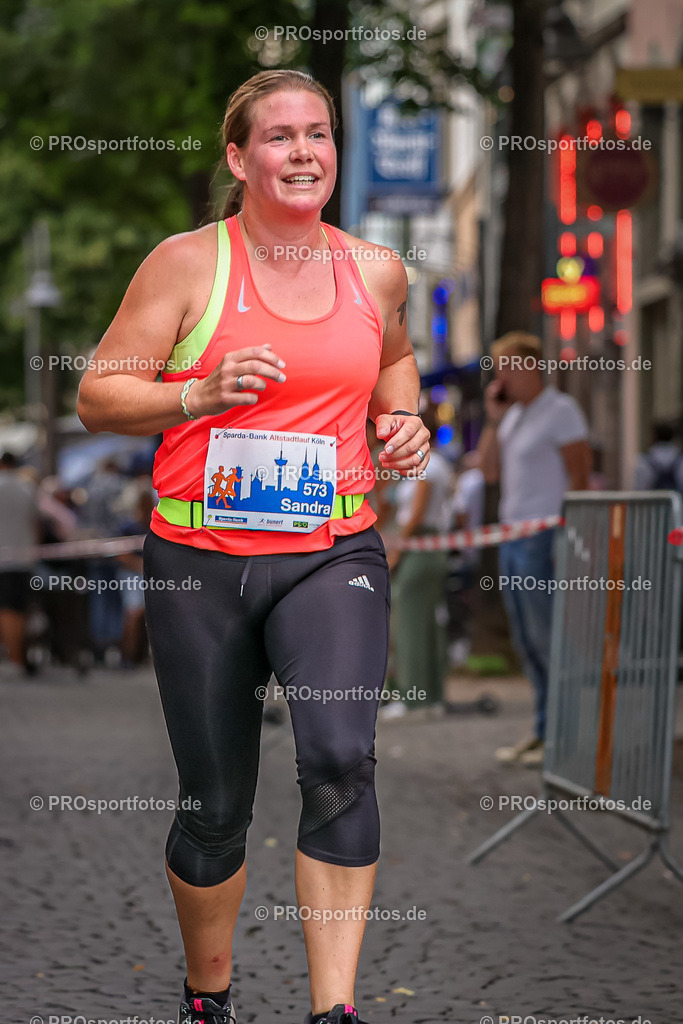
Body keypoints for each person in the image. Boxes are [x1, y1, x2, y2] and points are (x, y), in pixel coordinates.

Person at [77, 69, 430, 1024]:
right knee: (215, 804)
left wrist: (404, 425)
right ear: (239, 158)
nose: (305, 151)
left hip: (332, 552)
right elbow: (99, 393)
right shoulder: (187, 265)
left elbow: (394, 366)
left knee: (341, 760)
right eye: (280, 136)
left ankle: (333, 1011)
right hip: (200, 561)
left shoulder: (376, 268)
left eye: (319, 133)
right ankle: (209, 994)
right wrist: (193, 392)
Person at [478, 331, 590, 766]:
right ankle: (544, 730)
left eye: (506, 366)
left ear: (528, 367)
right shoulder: (511, 418)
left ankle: (564, 736)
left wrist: (571, 539)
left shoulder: (561, 411)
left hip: (544, 538)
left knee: (549, 637)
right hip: (513, 536)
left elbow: (580, 478)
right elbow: (488, 472)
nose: (500, 376)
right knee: (526, 639)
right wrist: (492, 418)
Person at [383, 409, 453, 717]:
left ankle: (411, 697)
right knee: (426, 624)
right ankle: (431, 696)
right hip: (424, 545)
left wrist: (397, 550)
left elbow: (417, 513)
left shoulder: (429, 464)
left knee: (409, 624)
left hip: (419, 545)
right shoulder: (430, 464)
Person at [0, 452, 39, 676]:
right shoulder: (27, 488)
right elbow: (36, 523)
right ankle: (18, 657)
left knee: (7, 611)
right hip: (24, 558)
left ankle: (15, 660)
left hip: (4, 559)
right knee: (18, 610)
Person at [634, 420, 683, 492]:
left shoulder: (644, 459)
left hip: (652, 501)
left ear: (654, 436)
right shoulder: (680, 459)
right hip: (676, 501)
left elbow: (640, 488)